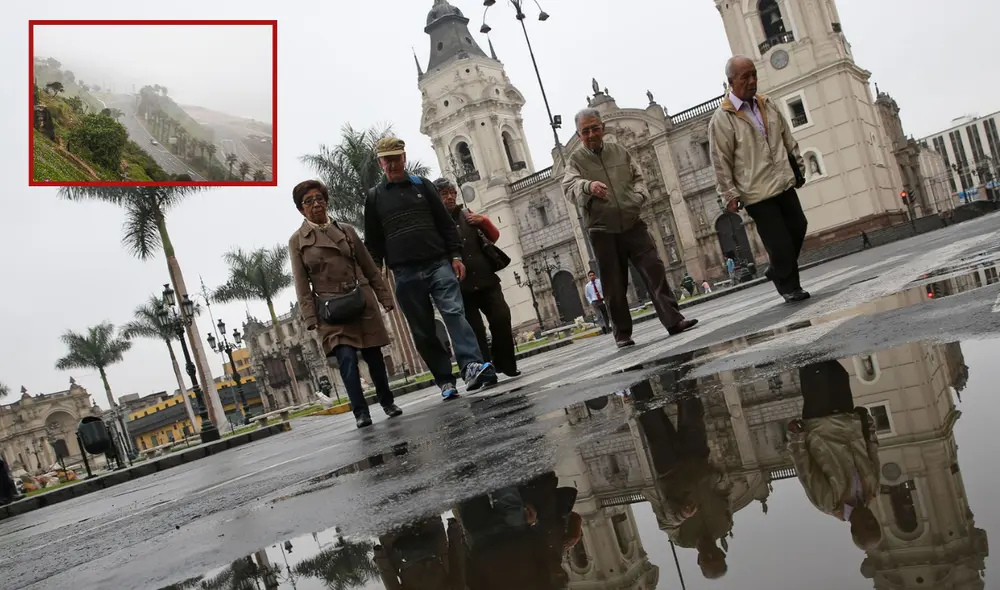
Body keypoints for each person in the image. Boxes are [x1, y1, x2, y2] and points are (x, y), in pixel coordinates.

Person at [364, 137, 498, 400]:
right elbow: (373, 241)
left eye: (396, 158)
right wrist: (377, 276)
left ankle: (471, 366)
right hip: (404, 273)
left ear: (404, 158)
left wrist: (456, 256)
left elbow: (446, 224)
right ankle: (444, 380)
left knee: (454, 312)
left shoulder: (423, 187)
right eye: (387, 160)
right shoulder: (375, 198)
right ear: (380, 163)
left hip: (438, 264)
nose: (392, 164)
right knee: (422, 328)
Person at [562, 108, 698, 349]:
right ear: (578, 134)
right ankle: (622, 333)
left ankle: (674, 320)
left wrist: (639, 196)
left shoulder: (619, 151)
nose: (591, 134)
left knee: (654, 269)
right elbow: (569, 187)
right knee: (614, 284)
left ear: (602, 128)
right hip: (602, 230)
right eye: (585, 131)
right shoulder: (575, 161)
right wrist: (587, 186)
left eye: (595, 128)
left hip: (633, 223)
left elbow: (639, 177)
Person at [289, 180, 403, 429]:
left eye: (319, 198)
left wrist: (384, 297)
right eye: (308, 201)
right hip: (331, 309)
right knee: (347, 360)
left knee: (374, 356)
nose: (315, 204)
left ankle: (387, 402)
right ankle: (360, 412)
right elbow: (301, 283)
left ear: (326, 202)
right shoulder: (297, 241)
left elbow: (369, 267)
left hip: (361, 299)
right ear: (301, 209)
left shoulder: (347, 231)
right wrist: (310, 318)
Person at [710, 55, 810, 303]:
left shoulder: (768, 104)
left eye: (754, 74)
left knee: (799, 226)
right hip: (756, 191)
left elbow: (787, 138)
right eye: (746, 77)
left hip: (783, 181)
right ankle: (789, 287)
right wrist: (729, 194)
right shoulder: (722, 119)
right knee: (780, 241)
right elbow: (720, 161)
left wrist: (798, 168)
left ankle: (777, 269)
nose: (752, 81)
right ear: (731, 81)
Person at [787, 360, 883, 551]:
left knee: (814, 369)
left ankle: (798, 335)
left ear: (854, 530)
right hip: (848, 419)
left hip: (821, 423)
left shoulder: (829, 503)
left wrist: (796, 439)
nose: (872, 520)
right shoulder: (873, 489)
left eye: (868, 527)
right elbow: (872, 451)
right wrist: (868, 426)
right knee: (837, 372)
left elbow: (806, 470)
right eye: (876, 525)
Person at [435, 178, 520, 378]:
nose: (450, 197)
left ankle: (506, 364)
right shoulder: (436, 225)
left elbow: (494, 237)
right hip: (461, 287)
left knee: (501, 317)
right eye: (444, 194)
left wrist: (484, 221)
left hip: (486, 279)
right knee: (475, 331)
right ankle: (486, 369)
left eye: (452, 193)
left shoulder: (468, 215)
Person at [583, 270, 611, 335]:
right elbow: (587, 295)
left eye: (593, 275)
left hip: (602, 300)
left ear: (594, 275)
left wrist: (605, 298)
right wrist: (591, 302)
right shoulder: (587, 286)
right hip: (595, 302)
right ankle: (603, 327)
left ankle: (607, 327)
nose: (592, 276)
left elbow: (604, 289)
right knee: (599, 315)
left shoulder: (599, 282)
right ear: (588, 277)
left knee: (605, 315)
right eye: (590, 276)